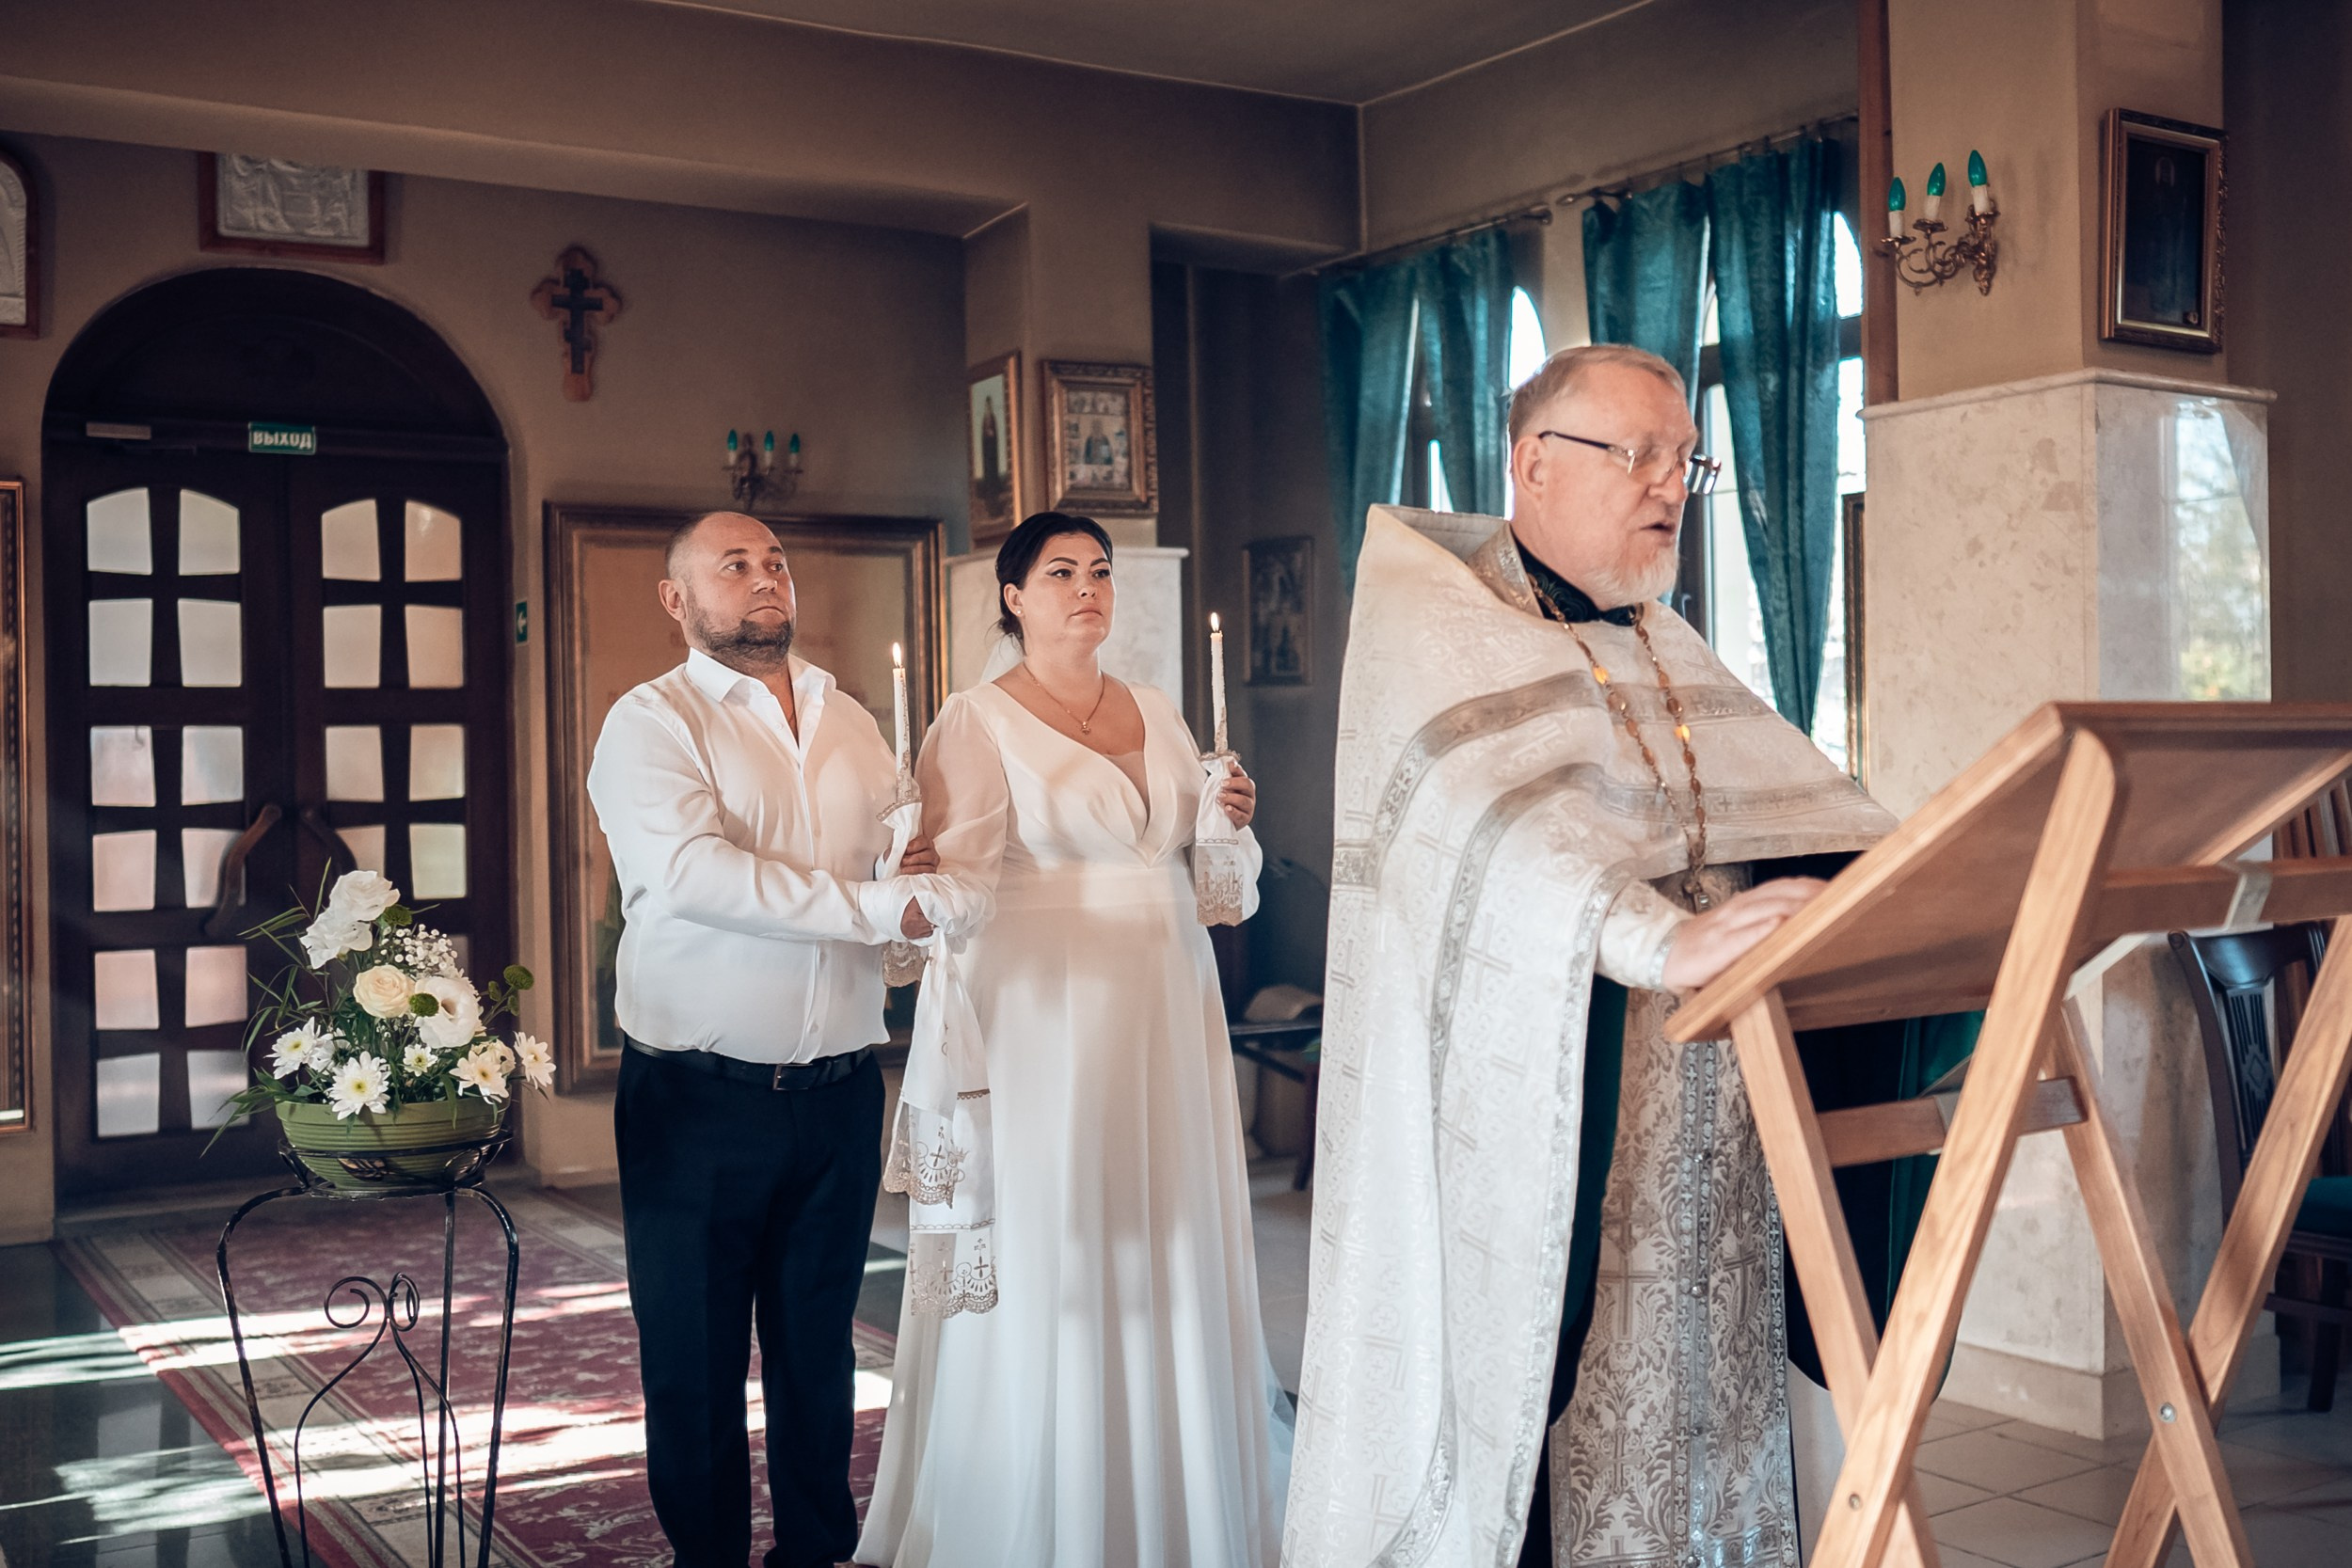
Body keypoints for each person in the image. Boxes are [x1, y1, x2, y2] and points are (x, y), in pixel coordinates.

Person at [1286, 346, 1970, 1568]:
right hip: (1558, 1127)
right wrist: (1657, 933)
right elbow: (1493, 835)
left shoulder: (1664, 640)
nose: (1670, 483)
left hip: (1719, 1127)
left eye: (1684, 457)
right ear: (1533, 462)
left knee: (1711, 1403)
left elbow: (1799, 811)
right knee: (1560, 1423)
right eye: (1639, 452)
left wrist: (1936, 895)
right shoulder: (1431, 619)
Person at [857, 512, 1292, 1568]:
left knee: (1169, 1219)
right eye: (1060, 572)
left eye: (1099, 571)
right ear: (1013, 596)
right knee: (1063, 1231)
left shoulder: (1155, 707)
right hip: (1044, 1004)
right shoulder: (974, 719)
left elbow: (1216, 882)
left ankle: (1178, 1491)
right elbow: (949, 891)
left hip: (1164, 988)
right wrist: (903, 863)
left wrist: (1230, 815)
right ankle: (1051, 1502)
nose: (1086, 588)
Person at [586, 511, 940, 1568]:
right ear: (678, 597)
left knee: (818, 1347)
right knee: (692, 1360)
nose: (762, 578)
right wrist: (874, 908)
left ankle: (817, 1551)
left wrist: (910, 874)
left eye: (774, 560)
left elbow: (892, 863)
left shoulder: (851, 716)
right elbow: (692, 874)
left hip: (837, 1086)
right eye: (732, 564)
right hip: (696, 1097)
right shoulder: (649, 722)